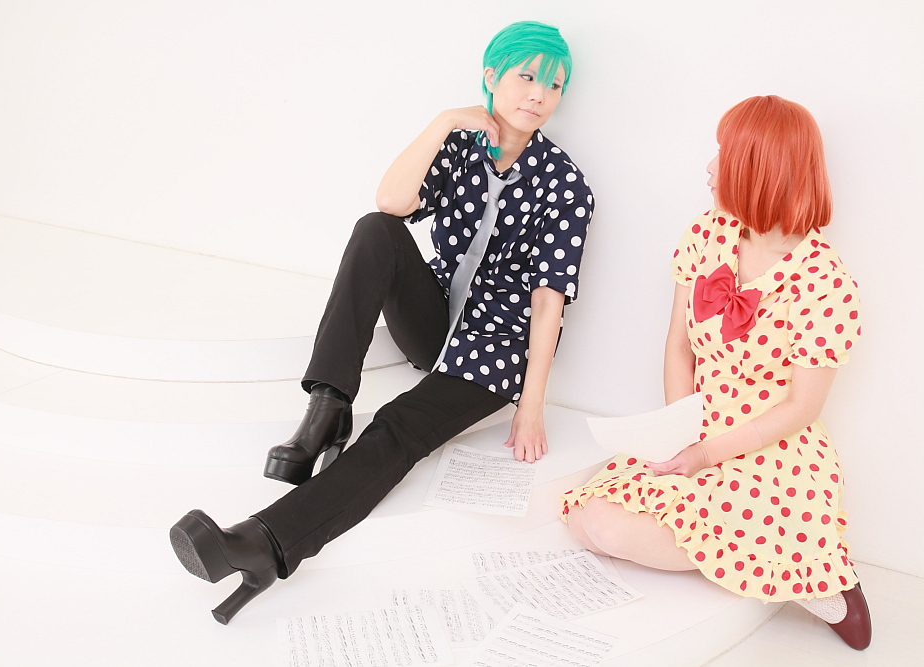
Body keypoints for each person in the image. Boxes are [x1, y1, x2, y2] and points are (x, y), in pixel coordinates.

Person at [170, 21, 594, 624]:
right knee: (377, 231)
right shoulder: (461, 145)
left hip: (494, 350)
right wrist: (443, 122)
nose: (539, 95)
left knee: (397, 427)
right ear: (491, 76)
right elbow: (392, 203)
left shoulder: (565, 184)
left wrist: (531, 405)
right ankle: (327, 407)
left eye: (554, 85)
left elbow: (550, 303)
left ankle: (263, 545)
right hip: (434, 318)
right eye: (527, 77)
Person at [561, 95, 871, 650]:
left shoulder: (826, 282)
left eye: (724, 155)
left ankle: (816, 577)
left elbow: (802, 406)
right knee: (589, 518)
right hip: (696, 423)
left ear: (759, 170)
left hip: (770, 445)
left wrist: (706, 455)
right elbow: (678, 346)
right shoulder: (707, 234)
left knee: (613, 527)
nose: (709, 167)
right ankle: (770, 557)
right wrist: (678, 430)